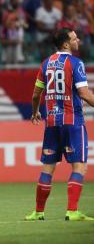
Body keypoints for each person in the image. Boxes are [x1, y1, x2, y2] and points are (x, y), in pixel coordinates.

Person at [25, 28, 94, 221]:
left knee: (48, 168)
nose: (78, 40)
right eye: (74, 38)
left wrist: (35, 111)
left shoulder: (46, 63)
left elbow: (35, 94)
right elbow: (84, 94)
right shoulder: (75, 63)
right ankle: (72, 211)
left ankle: (38, 212)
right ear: (65, 44)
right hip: (73, 122)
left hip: (52, 123)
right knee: (79, 167)